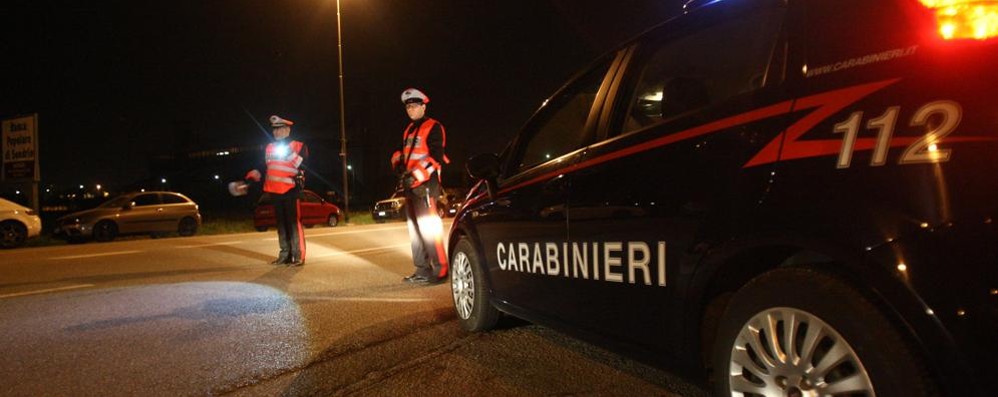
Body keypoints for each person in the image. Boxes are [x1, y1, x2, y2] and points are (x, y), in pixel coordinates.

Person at [391, 88, 449, 284]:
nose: (411, 109)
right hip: (410, 187)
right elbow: (400, 153)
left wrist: (414, 175)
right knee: (414, 231)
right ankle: (422, 269)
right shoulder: (408, 129)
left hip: (425, 186)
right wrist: (398, 166)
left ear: (424, 106)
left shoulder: (434, 127)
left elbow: (436, 158)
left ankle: (441, 269)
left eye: (414, 106)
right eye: (408, 106)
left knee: (429, 229)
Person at [245, 115, 309, 266]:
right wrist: (253, 174)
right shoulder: (269, 147)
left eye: (279, 129)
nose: (276, 133)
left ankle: (298, 255)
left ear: (287, 129)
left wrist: (287, 151)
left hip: (291, 190)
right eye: (274, 130)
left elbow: (303, 165)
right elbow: (264, 166)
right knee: (281, 224)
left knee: (293, 224)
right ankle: (285, 255)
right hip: (274, 191)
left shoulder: (299, 146)